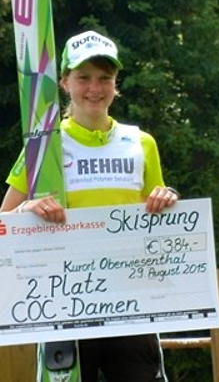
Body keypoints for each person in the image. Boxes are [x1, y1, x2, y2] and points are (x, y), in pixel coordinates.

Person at [0, 30, 178, 381]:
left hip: (131, 299)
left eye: (104, 78)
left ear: (116, 83)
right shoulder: (44, 146)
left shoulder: (141, 143)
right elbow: (4, 221)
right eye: (83, 77)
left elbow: (155, 218)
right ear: (64, 82)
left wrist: (167, 200)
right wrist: (25, 212)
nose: (94, 88)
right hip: (65, 301)